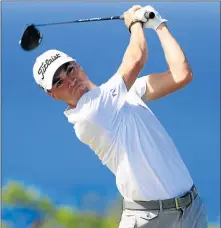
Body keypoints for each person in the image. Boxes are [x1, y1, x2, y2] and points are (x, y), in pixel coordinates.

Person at [33, 5, 208, 228]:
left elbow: (182, 74)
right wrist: (134, 22)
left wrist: (159, 25)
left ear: (77, 65)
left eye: (68, 69)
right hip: (150, 220)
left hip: (191, 210)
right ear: (52, 95)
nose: (70, 80)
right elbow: (137, 58)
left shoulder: (122, 94)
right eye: (59, 82)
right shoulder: (89, 114)